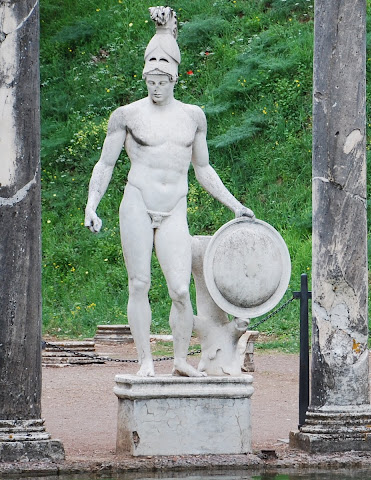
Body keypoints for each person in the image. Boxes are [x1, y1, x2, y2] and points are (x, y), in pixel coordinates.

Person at [84, 7, 253, 377]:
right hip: (138, 203)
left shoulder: (193, 116)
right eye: (150, 80)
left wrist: (235, 204)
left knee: (180, 288)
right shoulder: (126, 115)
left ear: (174, 79)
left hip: (174, 206)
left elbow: (204, 168)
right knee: (139, 282)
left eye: (162, 80)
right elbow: (106, 164)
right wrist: (91, 204)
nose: (155, 86)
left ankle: (178, 360)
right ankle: (146, 360)